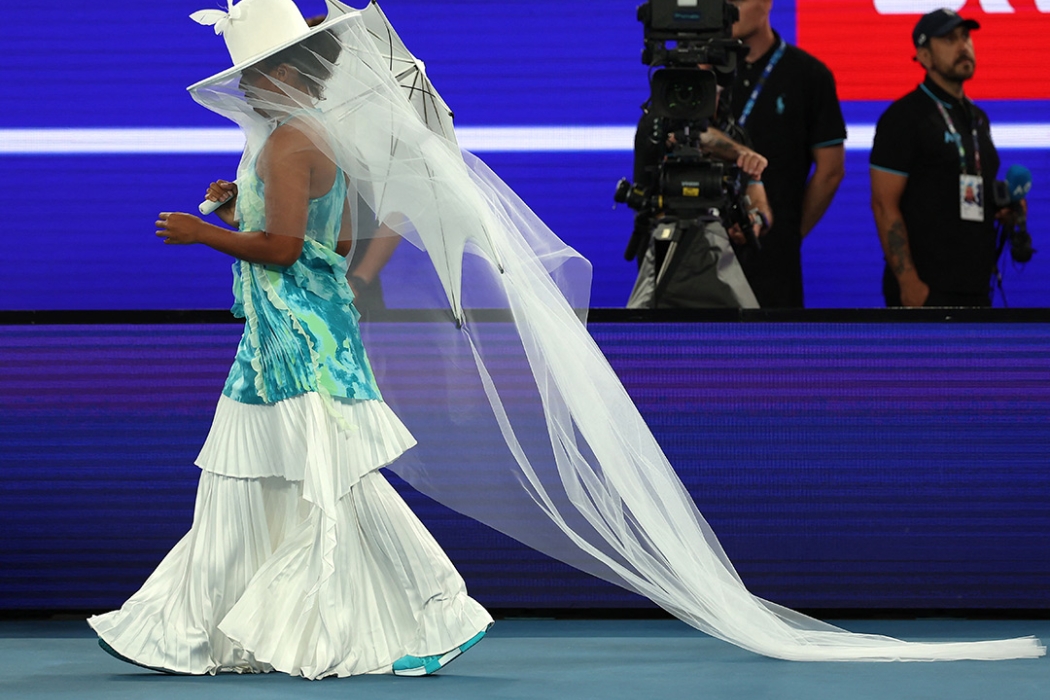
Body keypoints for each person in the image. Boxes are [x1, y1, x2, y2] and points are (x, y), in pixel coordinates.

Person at [87, 1, 491, 678]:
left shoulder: (288, 141)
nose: (243, 85)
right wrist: (233, 203)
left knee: (335, 486)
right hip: (287, 336)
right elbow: (327, 240)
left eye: (254, 72)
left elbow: (279, 249)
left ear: (286, 73)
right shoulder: (304, 137)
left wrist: (202, 231)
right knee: (248, 482)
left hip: (304, 345)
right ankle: (186, 631)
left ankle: (444, 612)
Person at [870, 8, 1000, 307]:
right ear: (925, 57)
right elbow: (882, 204)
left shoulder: (978, 119)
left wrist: (1000, 209)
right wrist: (909, 282)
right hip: (926, 289)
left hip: (976, 288)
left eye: (966, 37)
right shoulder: (903, 118)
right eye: (949, 39)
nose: (963, 45)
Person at [727, 0, 846, 308]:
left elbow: (831, 170)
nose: (729, 7)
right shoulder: (702, 74)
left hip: (774, 256)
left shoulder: (809, 75)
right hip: (702, 248)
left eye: (738, 0)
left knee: (772, 350)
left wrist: (788, 232)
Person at [624, 87, 771, 309]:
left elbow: (760, 200)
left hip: (727, 268)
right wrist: (738, 152)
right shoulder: (657, 128)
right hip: (668, 261)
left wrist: (755, 220)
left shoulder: (736, 133)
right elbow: (700, 136)